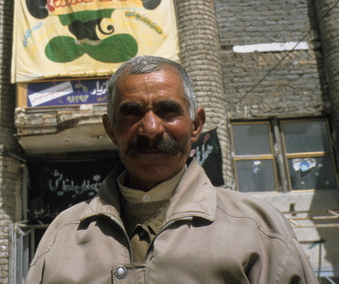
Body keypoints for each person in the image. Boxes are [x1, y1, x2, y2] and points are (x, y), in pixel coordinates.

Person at [26, 55, 318, 283]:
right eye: (132, 113)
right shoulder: (61, 236)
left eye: (168, 111)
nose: (151, 128)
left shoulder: (258, 229)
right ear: (111, 130)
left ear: (196, 125)